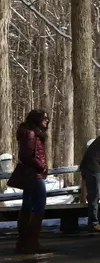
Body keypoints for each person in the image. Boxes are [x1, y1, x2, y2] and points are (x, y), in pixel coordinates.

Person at [9, 109, 50, 254]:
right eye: (44, 118)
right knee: (39, 205)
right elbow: (27, 155)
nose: (47, 120)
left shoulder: (32, 133)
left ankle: (23, 241)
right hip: (34, 174)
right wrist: (42, 166)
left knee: (27, 205)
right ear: (36, 119)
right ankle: (31, 241)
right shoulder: (31, 134)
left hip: (31, 173)